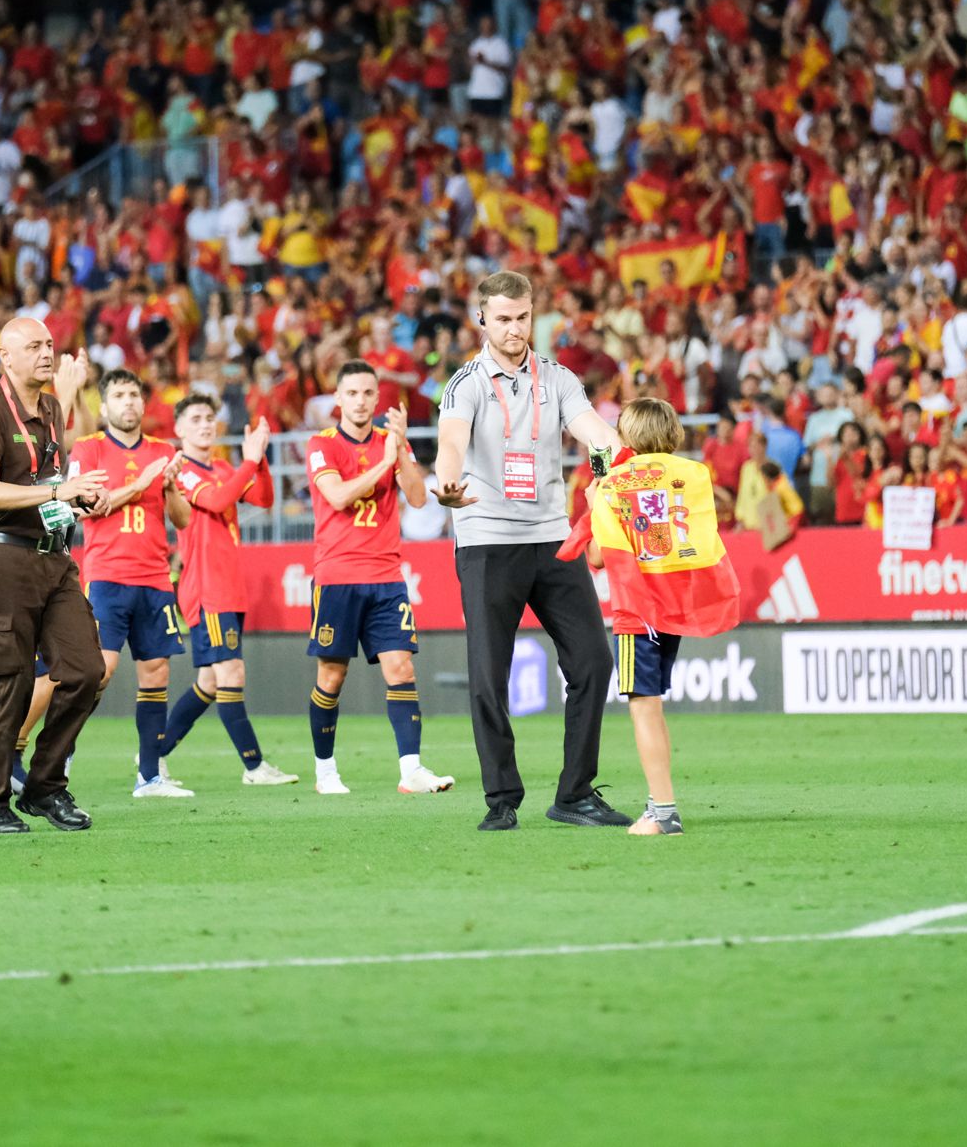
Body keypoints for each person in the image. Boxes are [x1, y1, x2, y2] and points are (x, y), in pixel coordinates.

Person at [434, 269, 627, 833]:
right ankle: (501, 799)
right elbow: (451, 441)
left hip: (551, 537)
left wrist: (613, 461)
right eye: (503, 319)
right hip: (488, 540)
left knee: (593, 661)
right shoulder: (465, 382)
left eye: (522, 318)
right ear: (482, 321)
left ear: (533, 315)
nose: (514, 329)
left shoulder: (559, 378)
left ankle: (575, 793)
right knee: (487, 677)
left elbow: (593, 430)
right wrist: (447, 482)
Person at [0, 320, 108, 834]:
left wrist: (79, 496)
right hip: (2, 560)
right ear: (5, 356)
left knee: (87, 670)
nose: (47, 354)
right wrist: (55, 495)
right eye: (34, 347)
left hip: (53, 556)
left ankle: (43, 787)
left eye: (49, 344)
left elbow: (49, 483)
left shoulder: (49, 410)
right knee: (14, 687)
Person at [577, 398, 740, 836]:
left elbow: (596, 556)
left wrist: (596, 501)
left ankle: (663, 812)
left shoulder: (614, 484)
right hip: (672, 604)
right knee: (653, 706)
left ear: (627, 436)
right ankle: (659, 804)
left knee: (644, 707)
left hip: (636, 607)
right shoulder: (691, 476)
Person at [304, 360, 453, 796]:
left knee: (401, 667)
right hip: (336, 576)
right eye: (352, 393)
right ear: (338, 398)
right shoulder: (323, 444)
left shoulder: (392, 443)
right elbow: (336, 496)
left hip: (387, 576)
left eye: (368, 393)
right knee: (331, 676)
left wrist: (400, 447)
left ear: (377, 397)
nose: (361, 401)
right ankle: (325, 772)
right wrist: (382, 463)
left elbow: (419, 497)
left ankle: (411, 769)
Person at [66, 368, 196, 799]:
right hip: (106, 577)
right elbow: (83, 510)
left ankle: (149, 776)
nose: (129, 402)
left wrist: (171, 485)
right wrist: (140, 484)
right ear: (103, 408)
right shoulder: (89, 449)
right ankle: (59, 755)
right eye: (119, 395)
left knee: (156, 673)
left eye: (134, 395)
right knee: (98, 672)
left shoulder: (163, 450)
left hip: (155, 577)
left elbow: (182, 520)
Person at [162, 395, 299, 786]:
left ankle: (152, 757)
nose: (205, 424)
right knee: (231, 672)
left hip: (228, 586)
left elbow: (264, 498)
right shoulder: (183, 470)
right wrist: (251, 461)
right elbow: (220, 499)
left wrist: (261, 459)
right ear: (179, 429)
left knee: (209, 682)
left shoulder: (222, 466)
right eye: (196, 419)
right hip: (206, 588)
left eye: (210, 417)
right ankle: (254, 767)